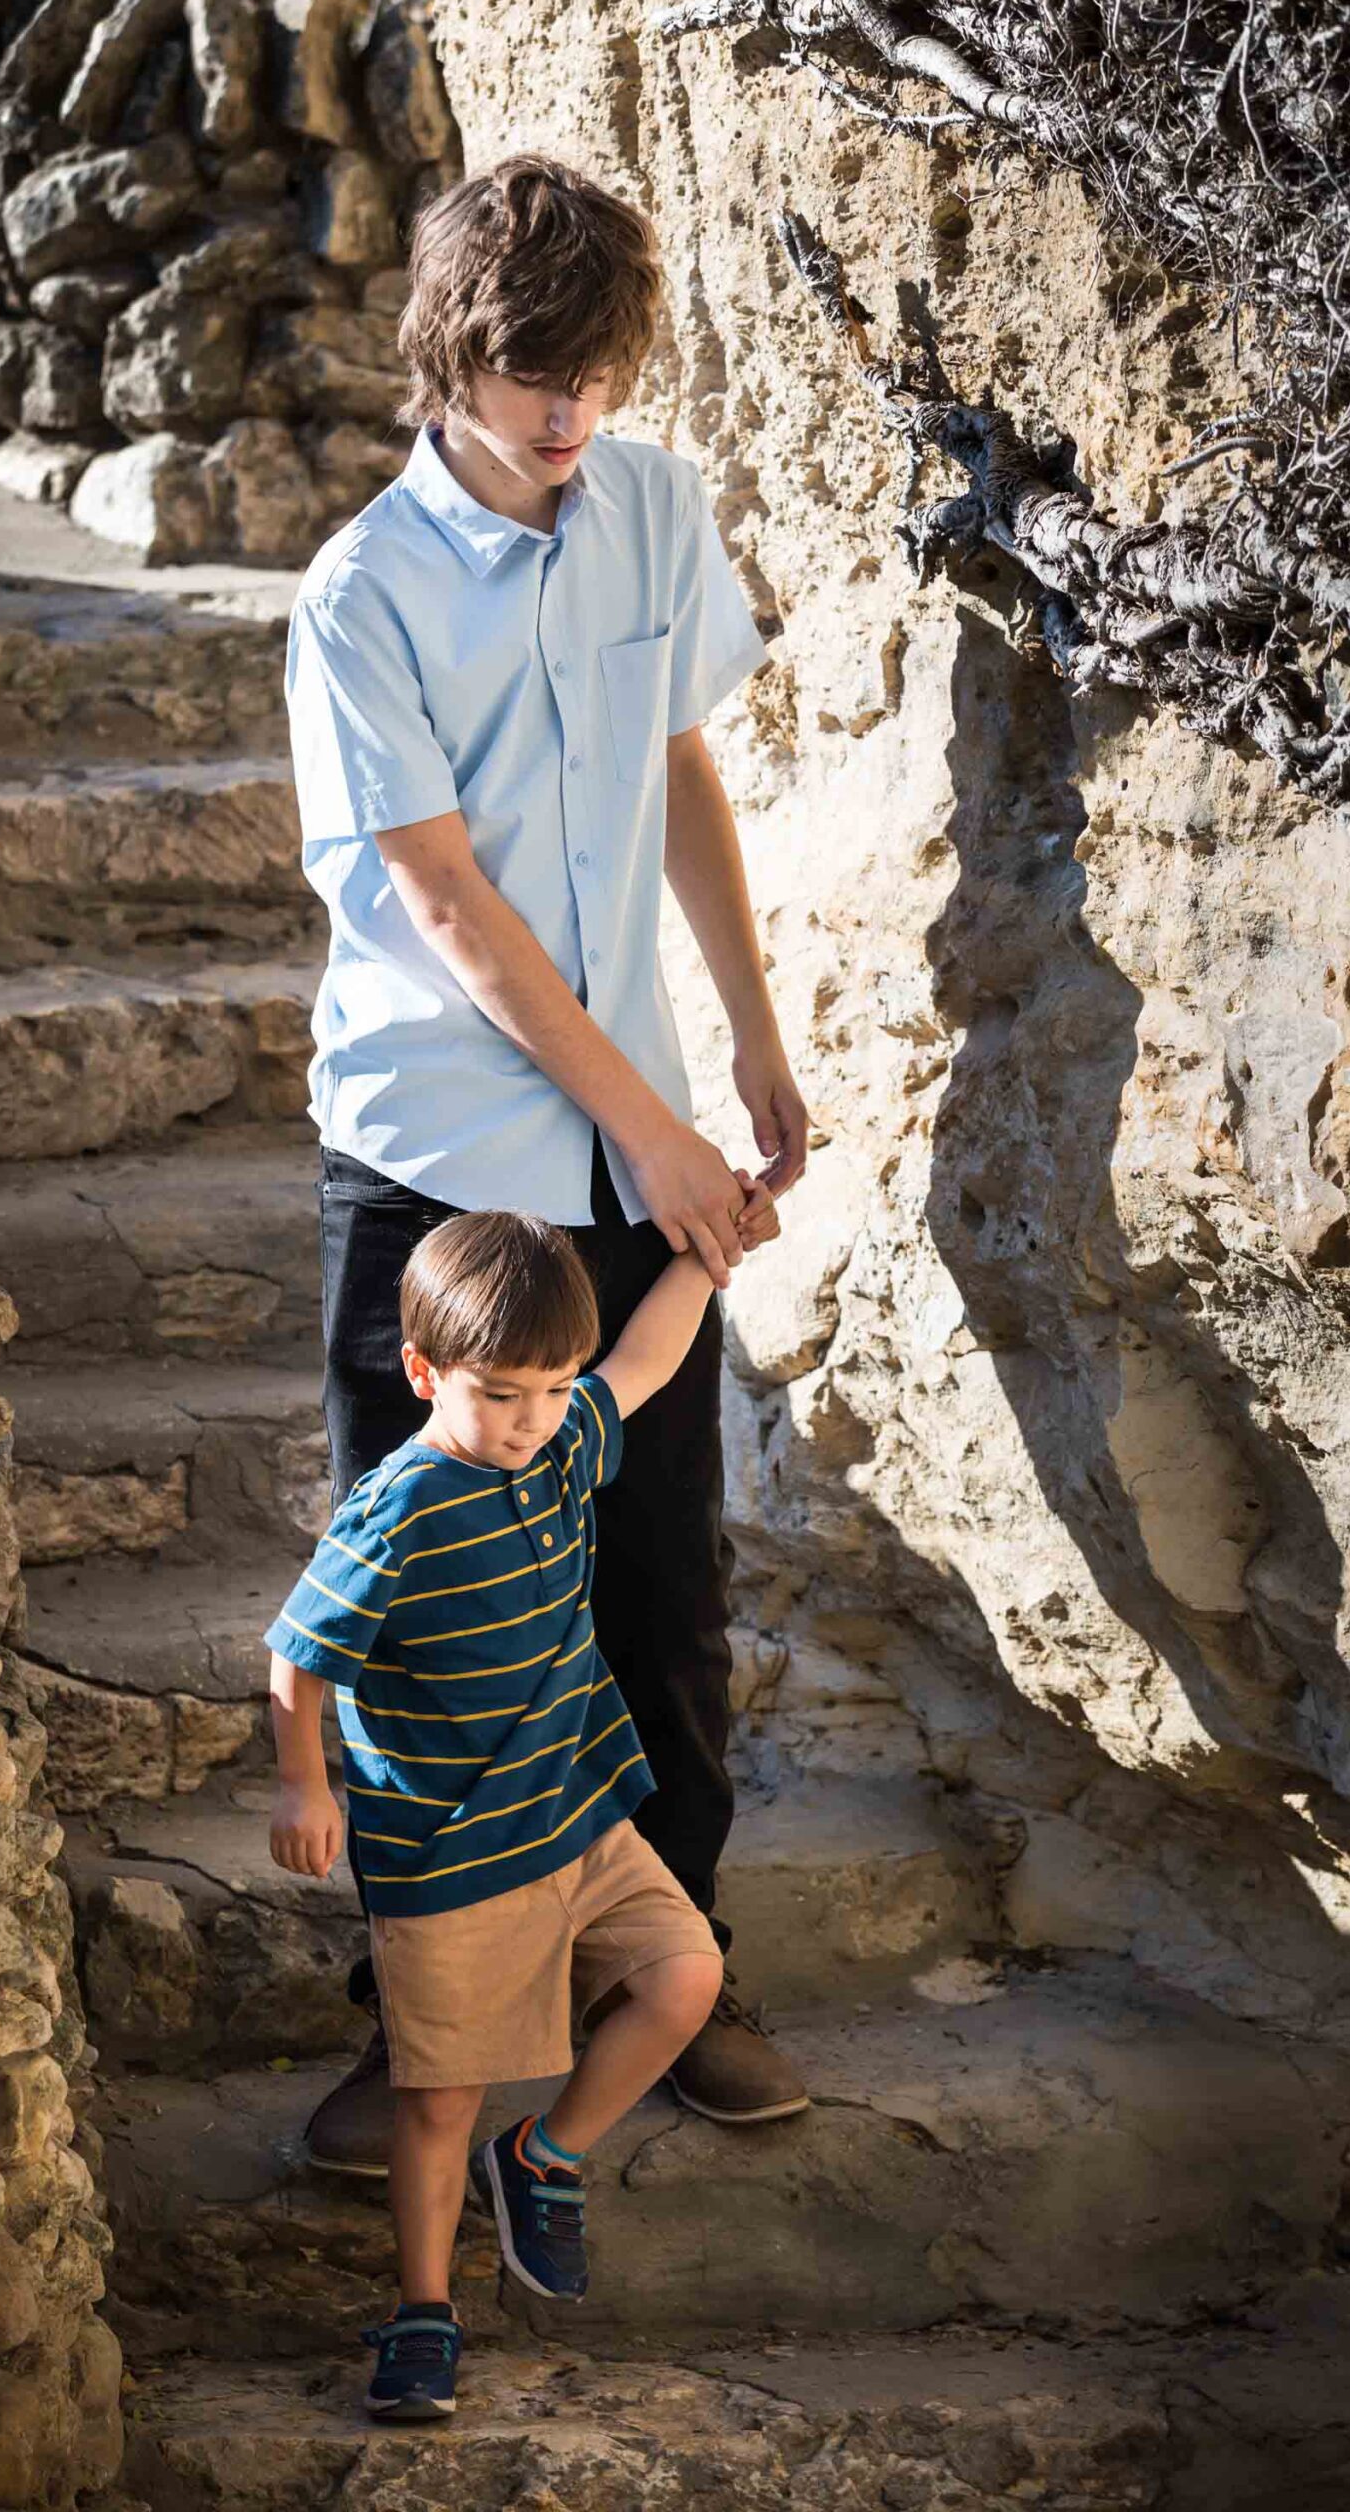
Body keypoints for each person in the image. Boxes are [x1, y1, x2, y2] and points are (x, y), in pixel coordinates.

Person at [285, 148, 812, 2175]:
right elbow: (451, 915)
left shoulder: (654, 510)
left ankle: (673, 1967)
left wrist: (751, 1034)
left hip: (634, 1133)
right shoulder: (360, 596)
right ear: (445, 354)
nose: (565, 406)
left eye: (593, 366)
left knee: (653, 1584)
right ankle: (410, 2019)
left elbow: (681, 765)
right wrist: (653, 1123)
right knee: (423, 1607)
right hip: (434, 1156)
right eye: (528, 368)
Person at [265, 1202, 779, 2418]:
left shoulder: (560, 1442)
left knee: (685, 1978)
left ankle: (543, 2154)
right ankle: (424, 2310)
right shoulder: (399, 1510)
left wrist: (707, 1256)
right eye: (500, 1393)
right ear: (425, 1372)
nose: (531, 1419)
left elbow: (642, 1361)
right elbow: (296, 1654)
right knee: (436, 2101)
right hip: (449, 1857)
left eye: (549, 1390)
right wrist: (303, 1783)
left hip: (580, 1817)